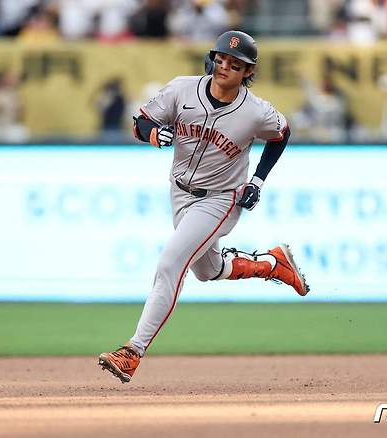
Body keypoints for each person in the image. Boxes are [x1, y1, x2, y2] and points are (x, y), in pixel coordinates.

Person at [98, 30, 310, 384]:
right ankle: (272, 264)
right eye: (221, 58)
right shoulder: (182, 88)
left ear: (247, 72)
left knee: (171, 263)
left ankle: (132, 351)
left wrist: (257, 180)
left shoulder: (255, 112)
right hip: (179, 192)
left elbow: (281, 134)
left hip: (220, 199)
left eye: (235, 63)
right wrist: (153, 134)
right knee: (206, 270)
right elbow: (140, 121)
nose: (225, 66)